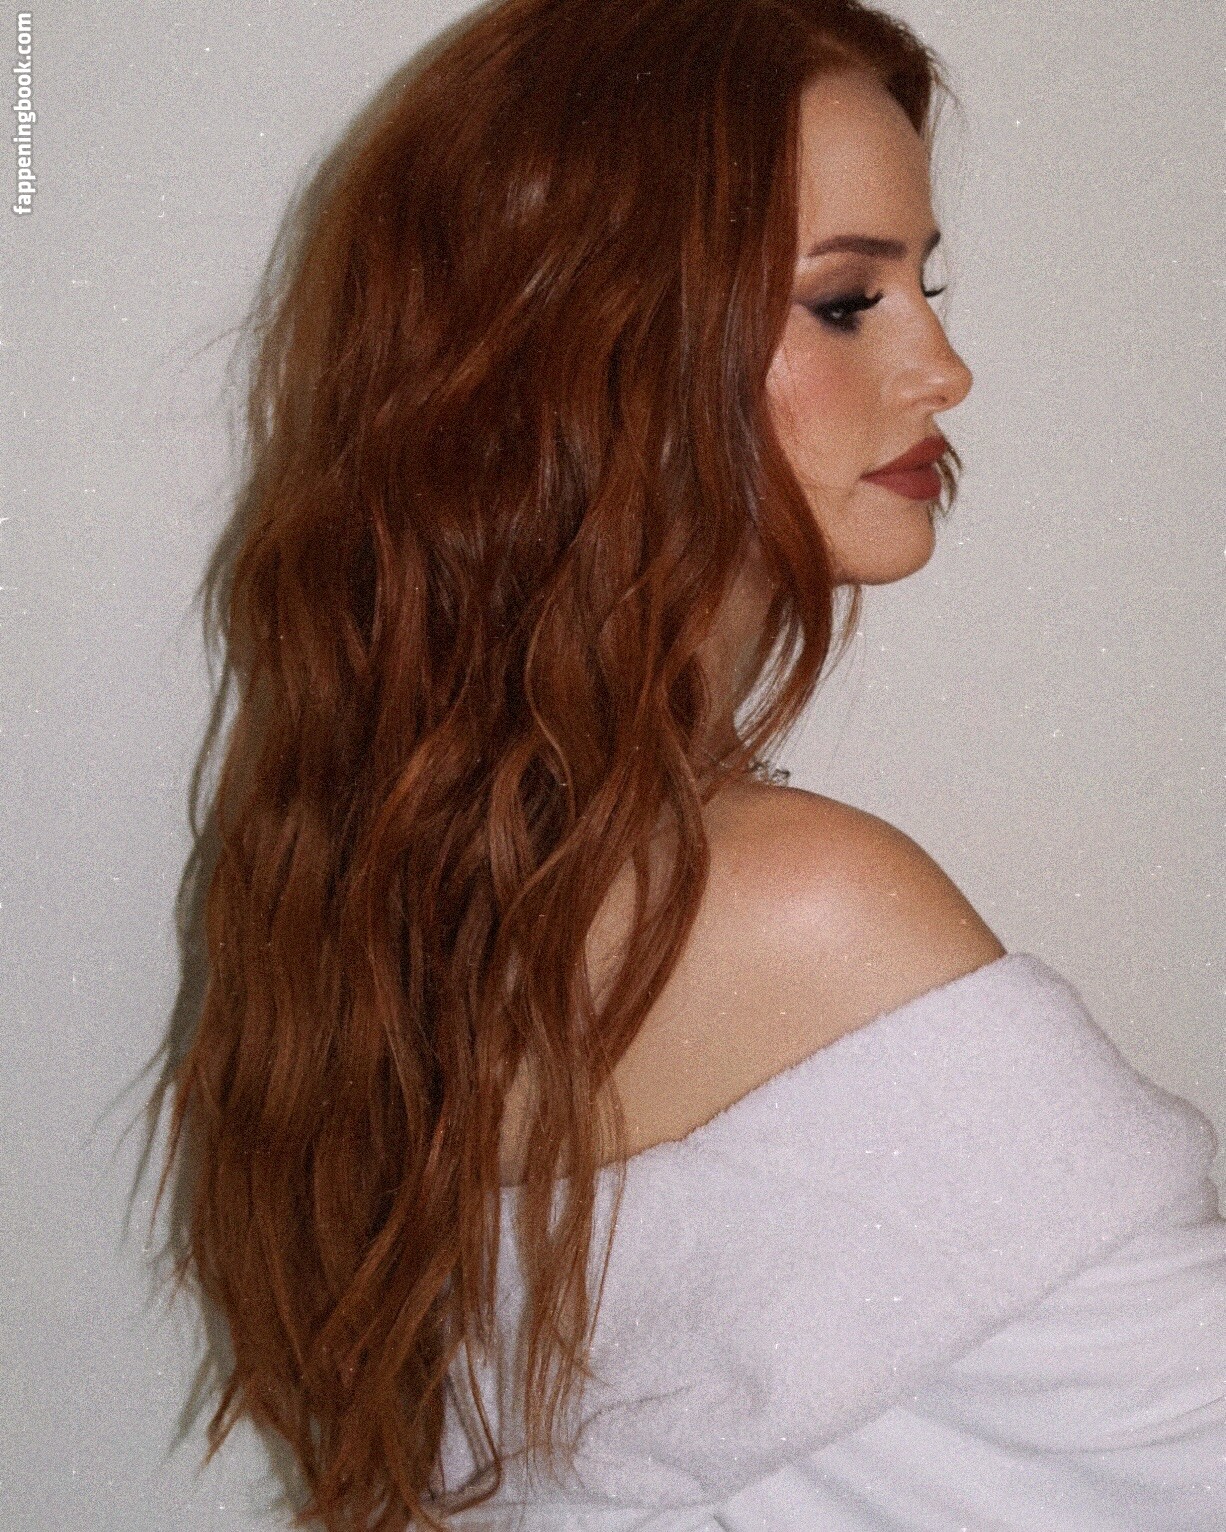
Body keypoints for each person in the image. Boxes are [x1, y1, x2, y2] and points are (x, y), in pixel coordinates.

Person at [152, 1, 1226, 1528]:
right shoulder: (796, 907)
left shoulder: (410, 893)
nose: (942, 368)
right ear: (586, 345)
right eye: (844, 302)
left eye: (922, 287)